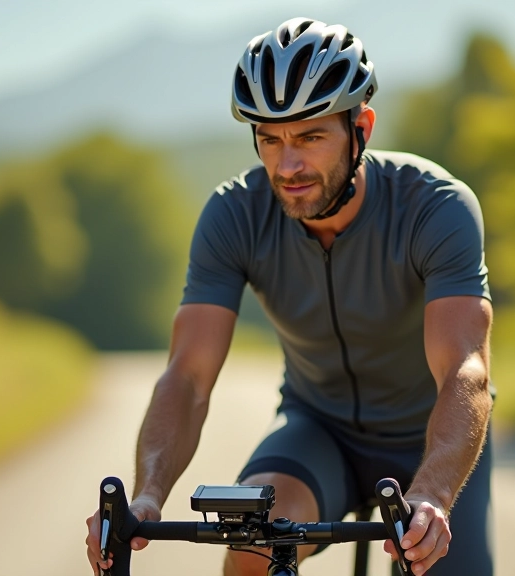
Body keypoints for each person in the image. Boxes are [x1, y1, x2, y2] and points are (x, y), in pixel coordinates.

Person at [86, 16, 494, 576]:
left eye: (310, 137)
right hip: (317, 430)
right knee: (253, 549)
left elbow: (464, 372)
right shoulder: (234, 215)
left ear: (362, 128)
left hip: (430, 436)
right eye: (270, 140)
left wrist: (433, 497)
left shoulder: (436, 207)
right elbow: (187, 376)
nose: (287, 165)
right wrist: (146, 496)